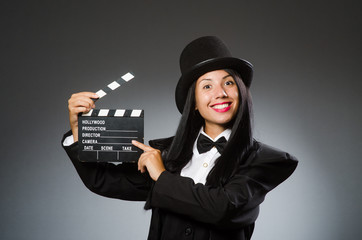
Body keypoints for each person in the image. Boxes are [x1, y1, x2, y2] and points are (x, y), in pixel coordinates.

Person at [62, 36, 298, 240]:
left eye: (228, 82)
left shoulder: (267, 160)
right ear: (193, 103)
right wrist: (78, 130)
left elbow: (222, 207)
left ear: (241, 93)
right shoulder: (166, 153)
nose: (221, 93)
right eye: (207, 86)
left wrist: (161, 176)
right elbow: (102, 180)